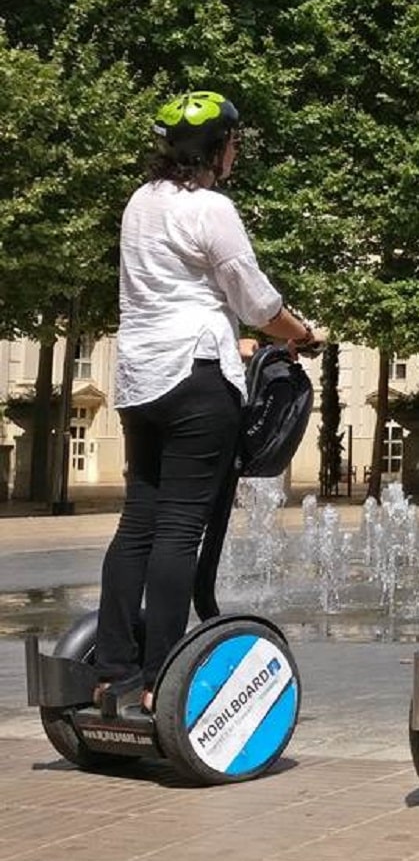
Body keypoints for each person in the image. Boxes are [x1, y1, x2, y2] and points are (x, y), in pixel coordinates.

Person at [97, 91, 322, 718]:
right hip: (195, 381)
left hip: (141, 380)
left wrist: (234, 331)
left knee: (138, 524)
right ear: (218, 148)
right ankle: (160, 676)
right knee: (179, 531)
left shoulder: (140, 204)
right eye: (233, 142)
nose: (236, 152)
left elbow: (176, 291)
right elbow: (254, 298)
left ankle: (112, 667)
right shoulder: (212, 208)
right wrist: (301, 334)